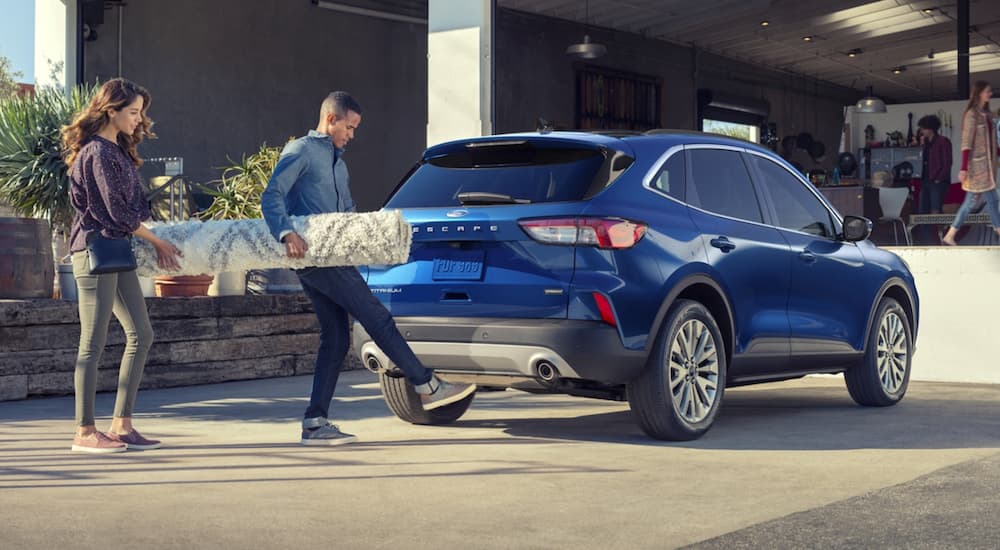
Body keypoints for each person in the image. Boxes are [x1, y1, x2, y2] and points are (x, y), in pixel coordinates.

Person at [261, 92, 476, 446]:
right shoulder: (300, 151)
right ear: (331, 119)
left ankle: (315, 422)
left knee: (337, 337)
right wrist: (286, 233)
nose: (352, 135)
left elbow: (349, 215)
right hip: (316, 257)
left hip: (335, 257)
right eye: (350, 126)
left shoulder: (339, 164)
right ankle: (427, 385)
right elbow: (272, 195)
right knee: (377, 317)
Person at [61, 78, 183, 453]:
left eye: (141, 112)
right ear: (110, 111)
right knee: (92, 344)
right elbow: (115, 211)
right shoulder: (97, 152)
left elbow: (133, 207)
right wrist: (158, 241)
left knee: (141, 335)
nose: (139, 119)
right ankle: (84, 432)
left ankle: (122, 425)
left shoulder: (116, 150)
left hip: (117, 252)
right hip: (95, 253)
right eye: (133, 112)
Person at [943, 81, 1000, 245]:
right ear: (980, 93)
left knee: (989, 201)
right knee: (978, 202)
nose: (990, 94)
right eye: (988, 91)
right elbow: (967, 142)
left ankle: (950, 234)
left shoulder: (987, 115)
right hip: (976, 168)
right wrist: (963, 168)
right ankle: (951, 234)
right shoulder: (972, 115)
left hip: (988, 168)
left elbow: (992, 144)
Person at [915, 115, 952, 243]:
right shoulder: (926, 143)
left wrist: (939, 178)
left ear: (930, 128)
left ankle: (940, 240)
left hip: (938, 182)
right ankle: (927, 242)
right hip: (926, 181)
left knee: (936, 211)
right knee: (922, 212)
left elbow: (947, 162)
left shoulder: (943, 141)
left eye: (923, 128)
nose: (921, 131)